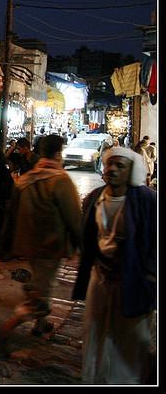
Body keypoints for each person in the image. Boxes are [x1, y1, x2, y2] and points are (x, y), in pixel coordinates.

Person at [71, 147, 156, 384]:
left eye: (120, 165)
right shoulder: (94, 198)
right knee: (96, 333)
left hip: (134, 281)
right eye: (110, 164)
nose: (112, 169)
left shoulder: (147, 200)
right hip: (100, 279)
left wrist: (151, 275)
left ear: (131, 170)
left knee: (131, 338)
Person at [0, 135, 82, 352]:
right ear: (57, 154)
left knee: (40, 283)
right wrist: (81, 243)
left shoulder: (26, 179)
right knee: (43, 290)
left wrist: (7, 244)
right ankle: (8, 327)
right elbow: (73, 217)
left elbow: (11, 214)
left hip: (28, 245)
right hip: (51, 245)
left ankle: (40, 325)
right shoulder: (59, 180)